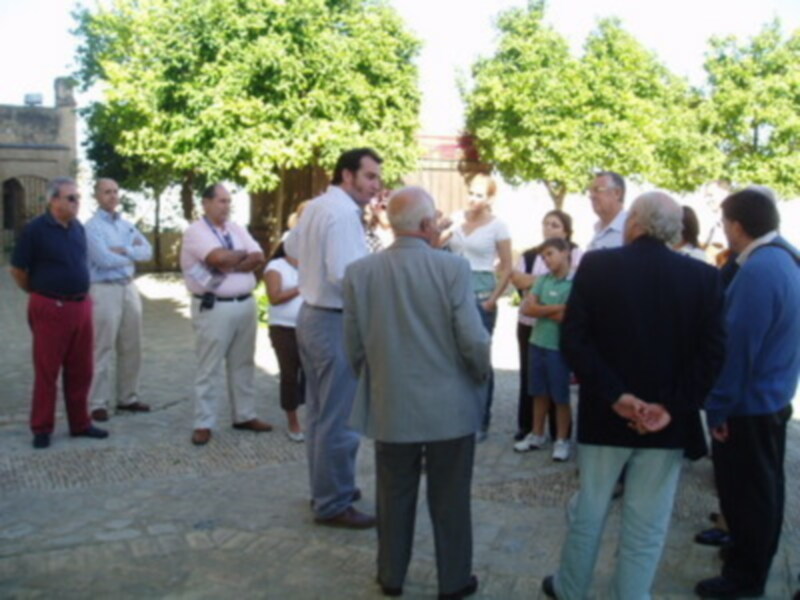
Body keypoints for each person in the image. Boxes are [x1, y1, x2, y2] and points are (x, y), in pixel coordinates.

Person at [542, 192, 725, 600]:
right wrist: (670, 407)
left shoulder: (598, 265)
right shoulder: (704, 277)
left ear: (635, 223)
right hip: (665, 423)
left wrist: (616, 395)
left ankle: (571, 590)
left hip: (607, 416)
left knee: (589, 511)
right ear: (673, 232)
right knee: (647, 525)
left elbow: (574, 340)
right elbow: (712, 356)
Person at [343, 186, 490, 599]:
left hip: (392, 405)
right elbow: (472, 340)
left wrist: (375, 380)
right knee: (451, 499)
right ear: (427, 225)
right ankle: (454, 580)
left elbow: (353, 345)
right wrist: (479, 377)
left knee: (392, 496)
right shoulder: (452, 269)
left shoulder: (360, 272)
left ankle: (390, 575)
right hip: (450, 406)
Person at [695, 188, 800, 599]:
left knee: (748, 496)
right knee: (762, 490)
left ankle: (744, 578)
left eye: (724, 224)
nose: (724, 231)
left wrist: (718, 410)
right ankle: (748, 561)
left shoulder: (760, 270)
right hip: (770, 398)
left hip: (749, 405)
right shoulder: (785, 257)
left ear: (737, 226)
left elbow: (737, 349)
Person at [285, 148, 382, 529]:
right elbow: (346, 275)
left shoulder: (318, 207)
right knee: (340, 417)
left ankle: (326, 488)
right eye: (370, 177)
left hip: (312, 316)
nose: (376, 185)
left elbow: (292, 248)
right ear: (347, 175)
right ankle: (333, 502)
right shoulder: (340, 213)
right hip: (333, 320)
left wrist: (311, 272)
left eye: (376, 177)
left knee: (321, 414)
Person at [9, 177, 109, 449]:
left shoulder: (77, 228)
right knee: (47, 370)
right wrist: (39, 293)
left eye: (78, 198)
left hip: (80, 305)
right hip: (50, 307)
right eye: (71, 198)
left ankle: (80, 423)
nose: (77, 203)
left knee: (82, 370)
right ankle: (42, 428)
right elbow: (17, 270)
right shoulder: (35, 230)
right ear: (54, 200)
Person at [180, 183, 273, 446]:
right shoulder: (196, 232)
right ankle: (203, 422)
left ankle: (244, 415)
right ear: (206, 203)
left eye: (229, 201)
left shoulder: (236, 228)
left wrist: (234, 260)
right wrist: (238, 259)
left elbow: (259, 256)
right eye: (221, 201)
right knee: (208, 367)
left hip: (244, 303)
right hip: (214, 307)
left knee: (243, 363)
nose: (226, 206)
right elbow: (218, 258)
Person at [444, 174, 512, 440]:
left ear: (490, 198)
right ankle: (457, 413)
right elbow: (436, 245)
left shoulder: (498, 226)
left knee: (479, 357)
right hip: (454, 293)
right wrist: (444, 225)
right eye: (471, 192)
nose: (473, 199)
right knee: (453, 356)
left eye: (480, 195)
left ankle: (481, 418)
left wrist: (494, 298)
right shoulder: (457, 218)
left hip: (481, 293)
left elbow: (507, 266)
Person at [510, 210, 582, 442]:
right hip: (530, 330)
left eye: (555, 224)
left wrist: (539, 292)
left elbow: (572, 301)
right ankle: (531, 428)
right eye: (545, 224)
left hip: (558, 336)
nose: (548, 228)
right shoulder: (531, 255)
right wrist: (552, 302)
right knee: (533, 382)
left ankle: (560, 435)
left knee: (559, 386)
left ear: (566, 232)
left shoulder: (577, 256)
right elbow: (519, 284)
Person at [85, 178, 153, 421]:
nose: (112, 196)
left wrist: (123, 250)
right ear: (97, 196)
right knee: (101, 346)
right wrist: (129, 253)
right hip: (104, 289)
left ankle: (128, 398)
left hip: (129, 288)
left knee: (132, 345)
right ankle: (97, 403)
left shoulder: (126, 225)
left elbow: (147, 251)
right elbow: (103, 259)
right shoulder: (91, 228)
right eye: (106, 192)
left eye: (115, 191)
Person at [513, 238, 574, 461]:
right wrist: (555, 308)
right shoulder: (542, 280)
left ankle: (562, 439)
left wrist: (542, 309)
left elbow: (568, 315)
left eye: (550, 254)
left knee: (560, 395)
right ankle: (537, 434)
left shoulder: (574, 282)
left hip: (557, 347)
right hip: (536, 342)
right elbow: (527, 308)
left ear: (565, 252)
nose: (547, 260)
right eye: (544, 256)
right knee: (538, 392)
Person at [264, 242, 304, 442]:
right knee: (289, 374)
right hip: (283, 328)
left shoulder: (311, 265)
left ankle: (313, 417)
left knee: (312, 374)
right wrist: (300, 288)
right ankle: (293, 422)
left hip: (309, 327)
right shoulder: (276, 267)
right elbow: (274, 297)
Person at [586, 171, 627, 251]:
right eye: (591, 192)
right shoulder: (597, 230)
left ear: (617, 193)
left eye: (598, 190)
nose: (592, 196)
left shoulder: (629, 229)